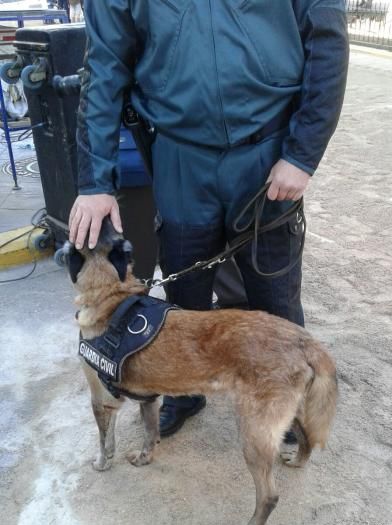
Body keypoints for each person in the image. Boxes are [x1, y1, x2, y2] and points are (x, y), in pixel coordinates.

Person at [69, 0, 349, 437]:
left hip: (267, 149)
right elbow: (104, 66)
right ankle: (184, 391)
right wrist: (94, 182)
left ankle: (288, 396)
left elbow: (327, 42)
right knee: (184, 291)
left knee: (274, 290)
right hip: (181, 154)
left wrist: (303, 153)